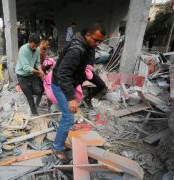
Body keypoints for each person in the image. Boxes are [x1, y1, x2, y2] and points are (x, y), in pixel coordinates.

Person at [51, 23, 106, 160]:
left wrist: (88, 67)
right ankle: (57, 147)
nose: (97, 44)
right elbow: (63, 74)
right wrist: (71, 98)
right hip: (60, 84)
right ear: (88, 35)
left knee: (68, 116)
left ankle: (62, 131)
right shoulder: (76, 50)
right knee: (69, 117)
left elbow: (89, 56)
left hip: (69, 82)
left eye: (100, 42)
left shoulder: (88, 45)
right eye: (95, 40)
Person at [15, 33, 45, 116]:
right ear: (29, 42)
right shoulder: (23, 50)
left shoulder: (37, 49)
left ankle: (36, 104)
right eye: (33, 46)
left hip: (31, 74)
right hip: (22, 75)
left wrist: (40, 70)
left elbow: (37, 62)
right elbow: (26, 67)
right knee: (29, 96)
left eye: (37, 46)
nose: (35, 48)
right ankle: (34, 113)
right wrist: (39, 72)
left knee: (40, 90)